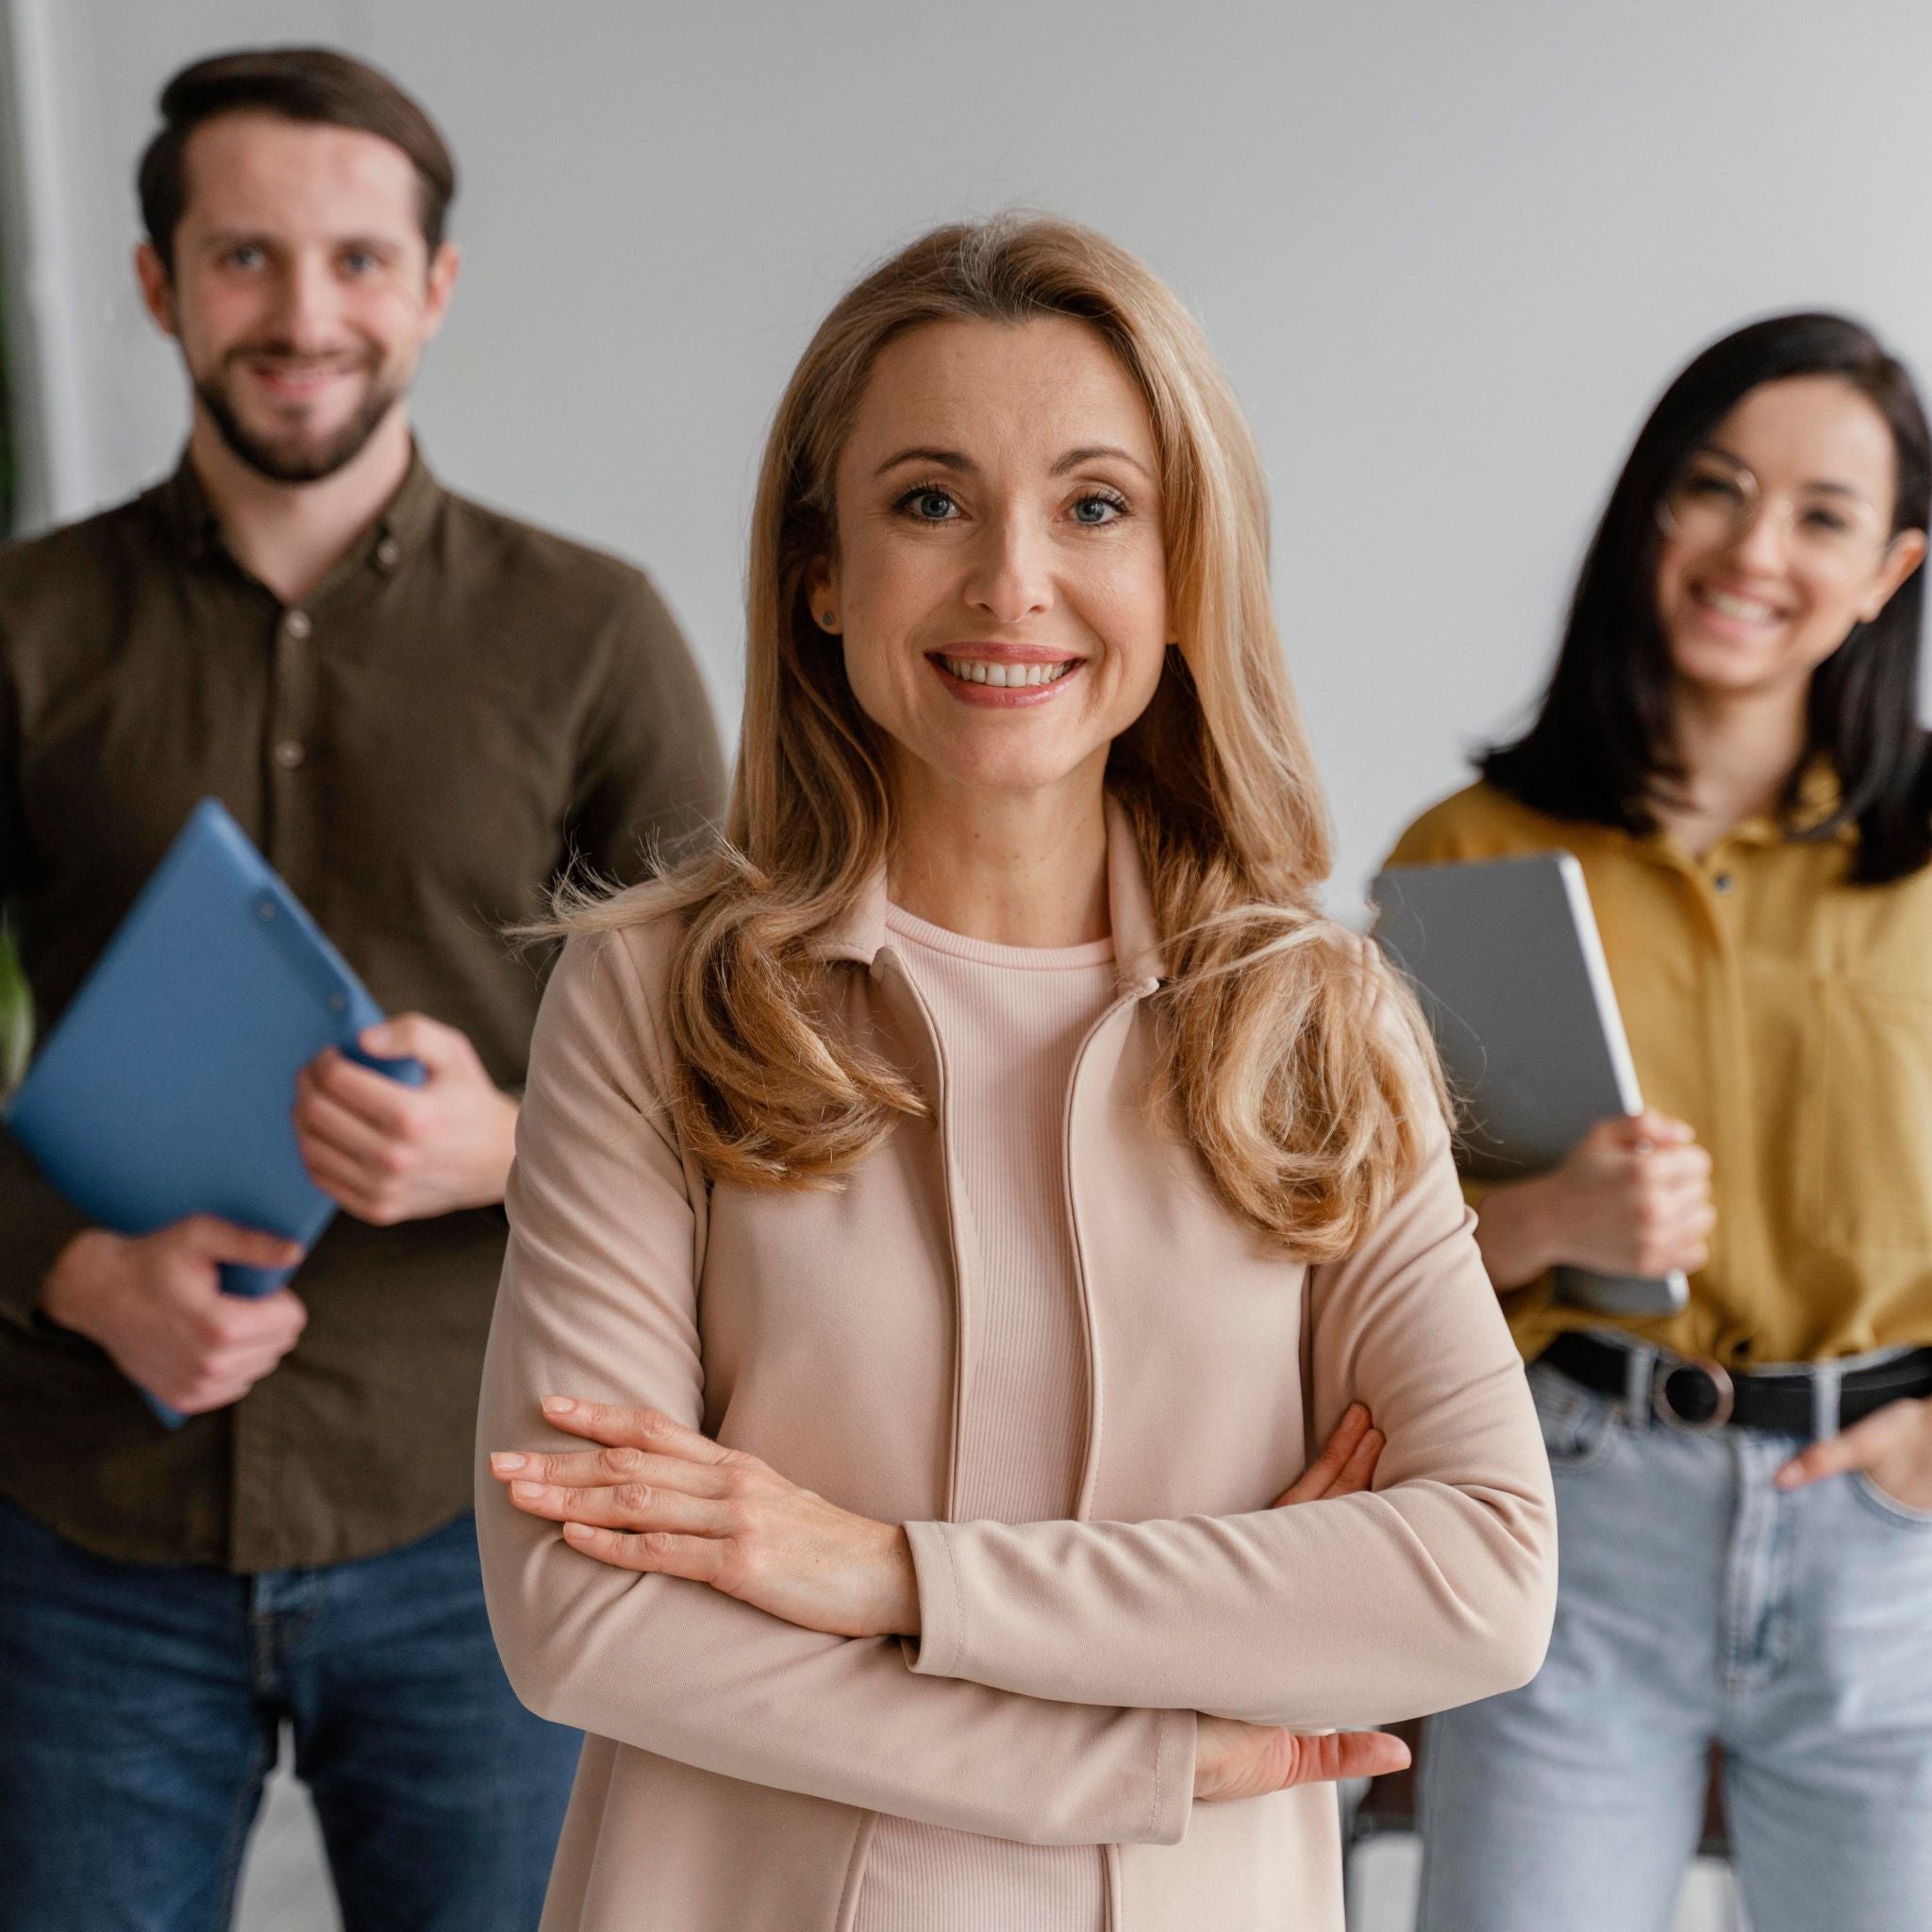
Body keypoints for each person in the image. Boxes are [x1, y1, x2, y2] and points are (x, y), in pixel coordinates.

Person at [476, 213, 1555, 1932]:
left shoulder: (1321, 1021)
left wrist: (875, 1573)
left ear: (1181, 571)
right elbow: (582, 1619)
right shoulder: (654, 996)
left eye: (1094, 505)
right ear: (821, 571)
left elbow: (1485, 1577)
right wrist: (1149, 1739)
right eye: (928, 500)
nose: (1011, 582)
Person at [0, 46, 724, 1932]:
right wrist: (72, 1267)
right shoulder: (21, 632)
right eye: (243, 259)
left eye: (352, 260)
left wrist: (513, 1138)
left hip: (474, 1508)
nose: (301, 314)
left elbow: (750, 1083)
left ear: (433, 287)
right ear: (157, 284)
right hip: (80, 1512)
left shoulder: (595, 635)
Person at [1388, 313, 1932, 1932]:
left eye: (1822, 515)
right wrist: (1550, 1221)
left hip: (1892, 1556)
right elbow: (1337, 1258)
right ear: (1650, 515)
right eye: (1715, 489)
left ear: (1891, 569)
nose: (1755, 548)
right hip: (1572, 1522)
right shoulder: (1469, 850)